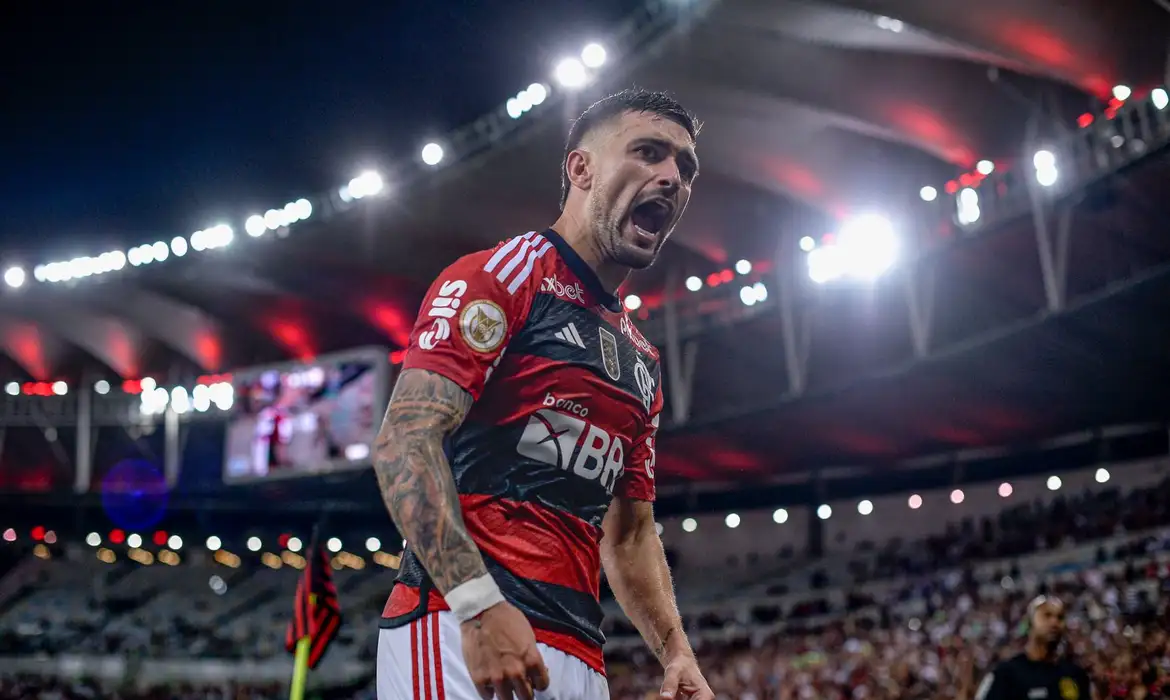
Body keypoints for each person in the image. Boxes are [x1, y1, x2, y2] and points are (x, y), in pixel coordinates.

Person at [372, 88, 712, 700]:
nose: (671, 177)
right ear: (580, 168)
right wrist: (476, 606)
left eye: (684, 167)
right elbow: (404, 440)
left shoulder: (641, 360)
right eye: (648, 152)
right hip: (456, 627)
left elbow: (630, 534)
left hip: (580, 656)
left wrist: (675, 650)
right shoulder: (501, 277)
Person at [974, 596, 1095, 700]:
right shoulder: (1005, 675)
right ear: (1030, 623)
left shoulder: (1076, 675)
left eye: (1060, 617)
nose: (1054, 623)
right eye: (1046, 616)